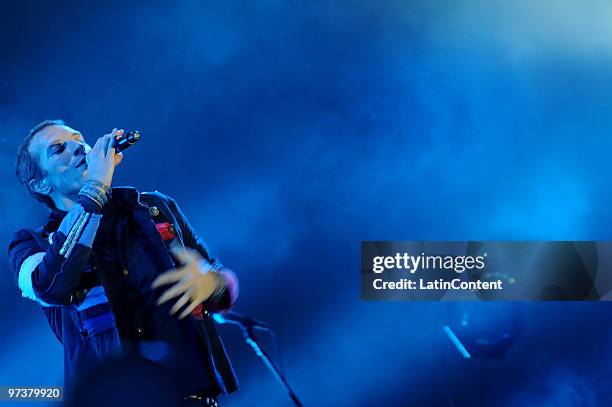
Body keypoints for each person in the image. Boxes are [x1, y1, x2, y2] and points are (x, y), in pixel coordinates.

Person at [8, 120, 239, 406]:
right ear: (41, 183)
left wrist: (212, 284)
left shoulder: (154, 208)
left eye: (79, 139)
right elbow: (49, 285)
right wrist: (95, 190)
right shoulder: (31, 245)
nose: (78, 148)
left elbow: (221, 284)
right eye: (58, 150)